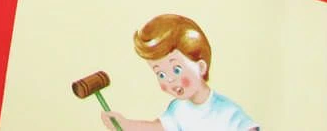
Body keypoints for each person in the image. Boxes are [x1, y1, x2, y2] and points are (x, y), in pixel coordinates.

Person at [100, 14, 258, 131]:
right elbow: (158, 128)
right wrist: (125, 125)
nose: (170, 80)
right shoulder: (178, 109)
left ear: (201, 67)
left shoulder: (226, 112)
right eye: (161, 74)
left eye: (177, 69)